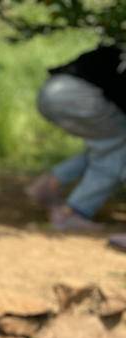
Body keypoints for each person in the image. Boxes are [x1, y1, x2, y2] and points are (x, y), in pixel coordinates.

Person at [27, 45, 126, 231]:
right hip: (77, 94)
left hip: (52, 91)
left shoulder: (120, 47)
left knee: (107, 145)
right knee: (119, 147)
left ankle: (49, 184)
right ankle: (74, 213)